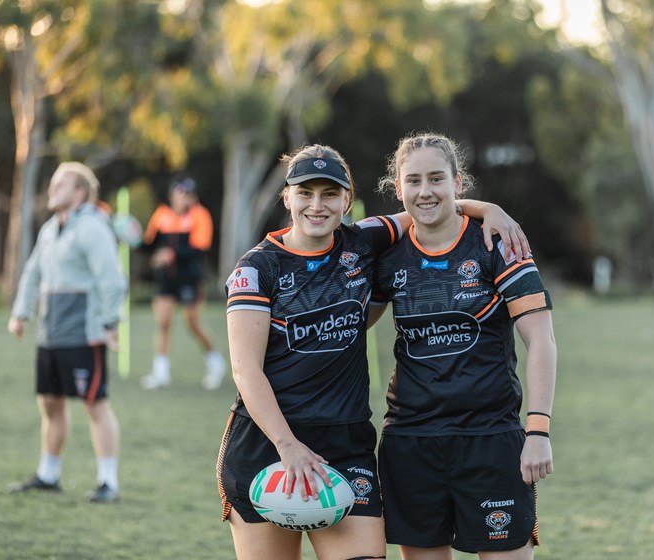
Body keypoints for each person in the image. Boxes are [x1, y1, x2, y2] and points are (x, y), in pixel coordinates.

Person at [216, 143, 529, 560]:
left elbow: (430, 206)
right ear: (287, 197)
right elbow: (245, 372)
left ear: (347, 199)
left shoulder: (363, 242)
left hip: (345, 444)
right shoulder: (256, 270)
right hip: (266, 445)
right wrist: (287, 446)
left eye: (330, 194)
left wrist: (490, 209)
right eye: (305, 193)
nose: (317, 205)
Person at [370, 132, 558, 559]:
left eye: (437, 179)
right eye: (413, 181)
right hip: (410, 442)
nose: (425, 191)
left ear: (458, 183)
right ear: (397, 189)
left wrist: (539, 430)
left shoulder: (498, 243)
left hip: (490, 439)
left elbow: (541, 340)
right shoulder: (387, 254)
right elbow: (348, 325)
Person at [7, 161, 128, 503]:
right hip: (51, 335)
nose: (51, 189)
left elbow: (113, 281)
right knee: (49, 403)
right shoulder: (49, 229)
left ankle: (109, 482)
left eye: (60, 184)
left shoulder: (93, 228)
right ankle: (49, 474)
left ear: (80, 192)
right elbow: (32, 274)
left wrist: (108, 324)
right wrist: (20, 314)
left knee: (95, 405)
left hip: (84, 335)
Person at [140, 175, 227, 390]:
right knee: (163, 323)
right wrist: (134, 239)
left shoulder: (200, 215)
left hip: (189, 278)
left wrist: (171, 254)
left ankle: (216, 363)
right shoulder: (161, 215)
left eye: (188, 194)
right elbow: (149, 245)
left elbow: (199, 249)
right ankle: (161, 372)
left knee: (193, 324)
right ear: (171, 196)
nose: (184, 198)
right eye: (180, 194)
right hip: (165, 279)